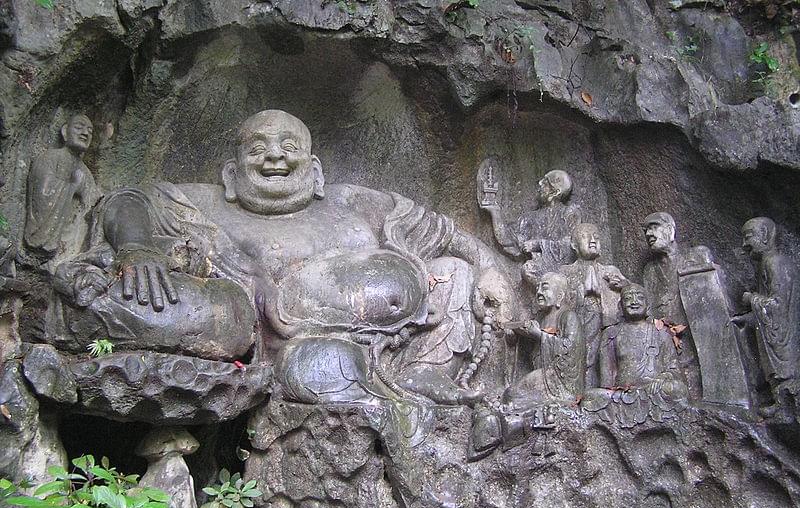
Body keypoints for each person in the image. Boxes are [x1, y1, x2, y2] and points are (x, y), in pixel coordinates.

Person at [49, 110, 514, 406]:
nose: (274, 157)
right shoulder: (208, 202)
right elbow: (126, 200)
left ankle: (423, 376)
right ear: (232, 173)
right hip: (248, 336)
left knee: (453, 273)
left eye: (289, 148)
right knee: (183, 305)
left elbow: (444, 232)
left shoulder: (352, 205)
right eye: (258, 149)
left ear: (314, 170)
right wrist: (136, 247)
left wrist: (492, 269)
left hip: (378, 342)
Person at [736, 217, 799, 413]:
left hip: (785, 332)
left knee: (784, 366)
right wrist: (749, 316)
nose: (745, 245)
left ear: (764, 235)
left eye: (749, 237)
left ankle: (785, 404)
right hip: (773, 327)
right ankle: (778, 400)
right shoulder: (766, 264)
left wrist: (751, 299)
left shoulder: (776, 263)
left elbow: (777, 306)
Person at [557, 223, 627, 387]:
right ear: (574, 245)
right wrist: (581, 294)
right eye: (585, 236)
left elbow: (633, 299)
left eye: (596, 236)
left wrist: (617, 287)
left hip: (604, 330)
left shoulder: (610, 272)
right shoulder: (565, 273)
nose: (592, 240)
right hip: (575, 331)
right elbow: (557, 307)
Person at [25, 114, 101, 265]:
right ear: (65, 132)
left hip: (73, 235)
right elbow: (42, 197)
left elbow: (94, 204)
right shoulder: (50, 158)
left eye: (90, 131)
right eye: (79, 128)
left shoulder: (86, 172)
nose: (85, 133)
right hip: (49, 233)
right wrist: (72, 186)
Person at [503, 272, 586, 409]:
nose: (539, 292)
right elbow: (535, 349)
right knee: (510, 395)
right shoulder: (541, 319)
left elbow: (571, 349)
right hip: (543, 374)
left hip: (559, 380)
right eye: (538, 288)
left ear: (560, 296)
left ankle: (547, 404)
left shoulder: (568, 317)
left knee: (512, 395)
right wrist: (516, 336)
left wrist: (539, 335)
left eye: (545, 288)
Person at [641, 212, 701, 398]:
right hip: (663, 340)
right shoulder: (650, 271)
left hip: (692, 334)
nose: (649, 234)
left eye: (654, 227)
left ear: (670, 230)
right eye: (646, 230)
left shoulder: (693, 258)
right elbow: (647, 309)